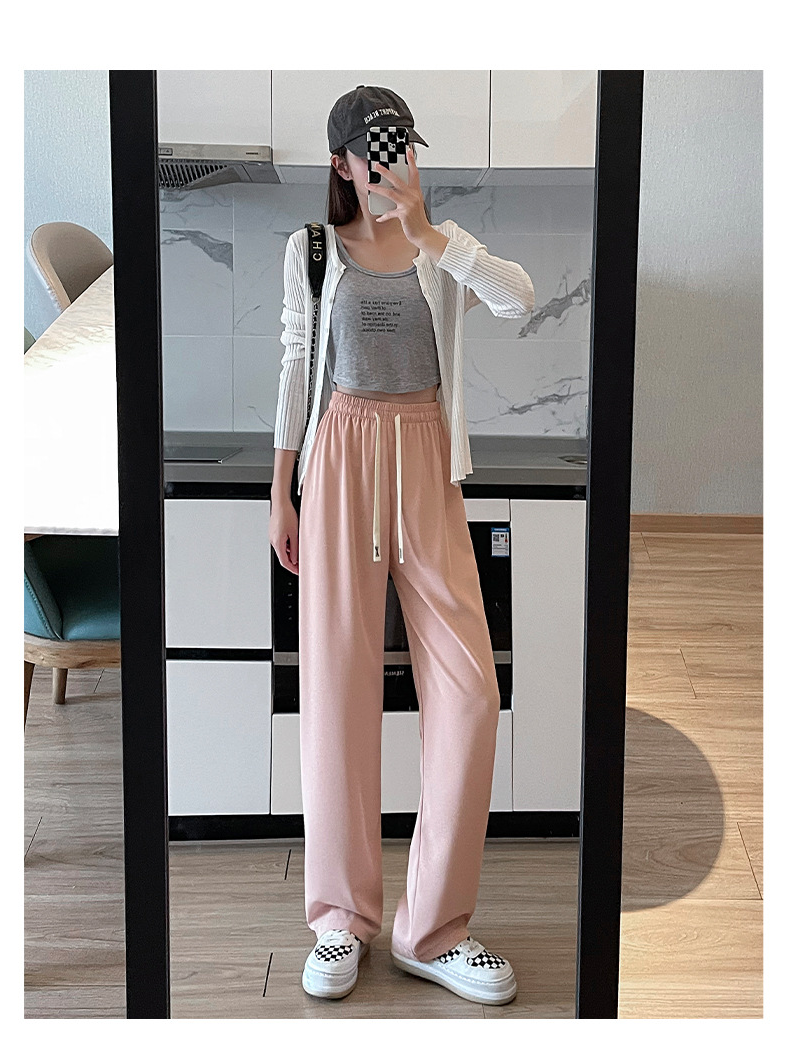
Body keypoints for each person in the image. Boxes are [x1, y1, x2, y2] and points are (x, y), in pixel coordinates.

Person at [269, 86, 535, 1006]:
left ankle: (434, 929)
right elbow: (296, 366)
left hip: (425, 459)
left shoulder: (439, 246)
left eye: (400, 147)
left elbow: (518, 300)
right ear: (341, 162)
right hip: (340, 455)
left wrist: (427, 232)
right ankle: (340, 917)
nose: (388, 163)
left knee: (470, 691)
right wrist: (280, 491)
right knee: (336, 689)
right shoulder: (311, 251)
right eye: (372, 151)